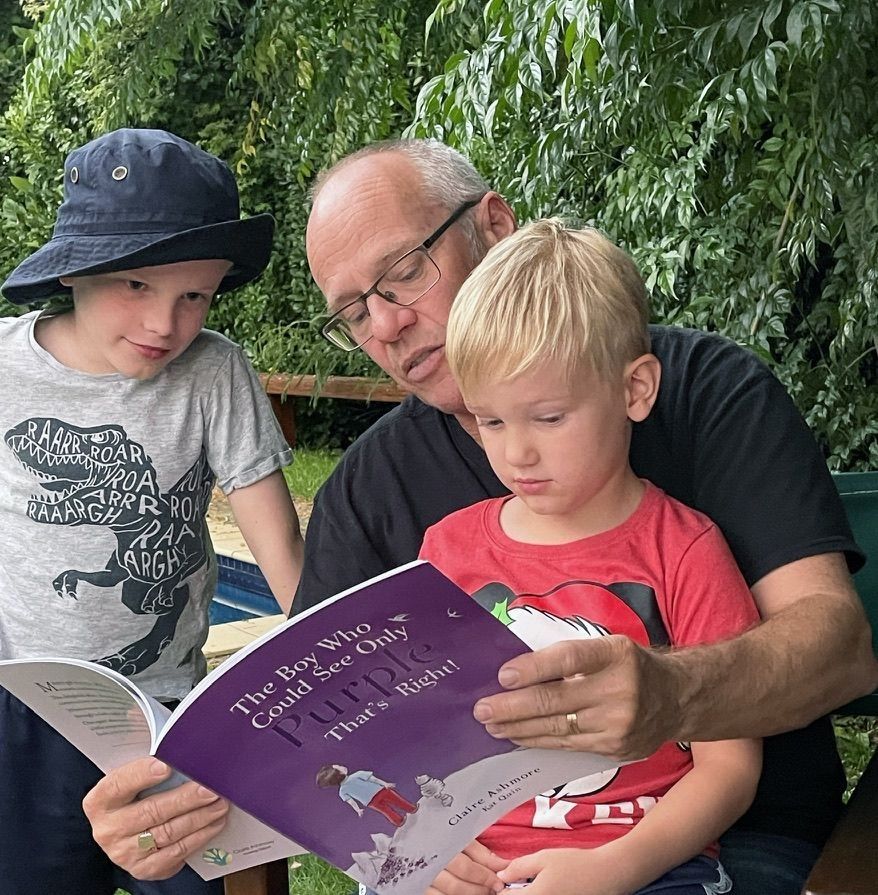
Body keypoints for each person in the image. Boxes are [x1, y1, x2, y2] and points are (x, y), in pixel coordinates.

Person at [80, 139, 877, 895]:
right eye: (355, 312)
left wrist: (673, 694)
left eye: (402, 273)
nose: (386, 324)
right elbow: (327, 745)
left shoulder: (705, 393)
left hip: (722, 849)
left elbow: (839, 652)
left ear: (494, 225)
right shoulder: (376, 488)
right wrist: (178, 810)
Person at [415, 217, 762, 894]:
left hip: (647, 864)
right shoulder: (446, 550)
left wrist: (613, 867)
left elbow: (731, 767)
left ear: (635, 389)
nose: (517, 452)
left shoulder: (683, 549)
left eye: (548, 417)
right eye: (490, 420)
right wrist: (428, 844)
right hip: (475, 867)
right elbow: (415, 737)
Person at [0, 128, 304, 895]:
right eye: (137, 285)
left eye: (194, 294)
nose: (166, 324)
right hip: (24, 711)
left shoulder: (215, 372)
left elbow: (284, 557)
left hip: (171, 710)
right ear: (75, 272)